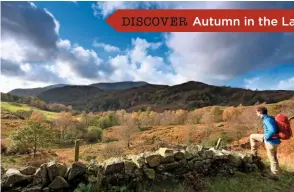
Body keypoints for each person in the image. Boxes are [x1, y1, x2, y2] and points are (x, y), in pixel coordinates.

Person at [249, 106, 281, 178]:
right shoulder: (269, 118)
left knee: (272, 158)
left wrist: (266, 137)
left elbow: (273, 130)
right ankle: (277, 173)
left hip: (270, 141)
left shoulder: (267, 120)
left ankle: (274, 175)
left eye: (256, 112)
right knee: (252, 136)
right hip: (275, 140)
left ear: (260, 112)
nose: (256, 113)